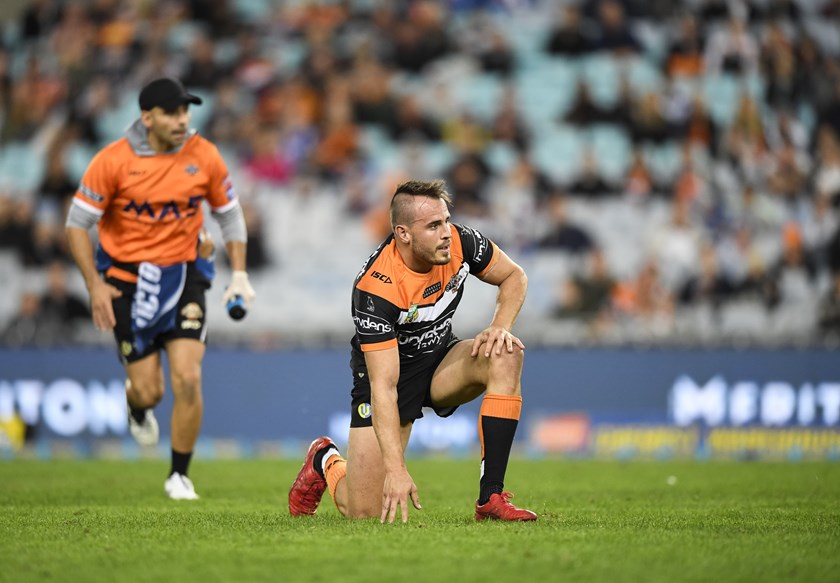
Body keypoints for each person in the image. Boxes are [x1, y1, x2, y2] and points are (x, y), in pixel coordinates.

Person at [288, 179, 537, 523]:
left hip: (439, 360)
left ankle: (490, 498)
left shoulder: (462, 242)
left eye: (446, 220)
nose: (446, 232)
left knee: (506, 353)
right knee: (361, 511)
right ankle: (326, 460)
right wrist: (396, 470)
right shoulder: (376, 289)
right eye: (433, 226)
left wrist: (500, 326)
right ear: (403, 234)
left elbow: (514, 276)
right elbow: (384, 386)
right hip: (389, 376)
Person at [65, 77, 255, 500]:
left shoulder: (203, 155)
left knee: (188, 377)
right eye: (172, 113)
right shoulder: (112, 161)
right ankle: (136, 405)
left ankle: (179, 475)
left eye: (185, 111)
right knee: (150, 389)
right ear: (146, 118)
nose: (182, 120)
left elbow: (230, 215)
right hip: (127, 284)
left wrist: (239, 273)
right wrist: (94, 285)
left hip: (185, 275)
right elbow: (77, 224)